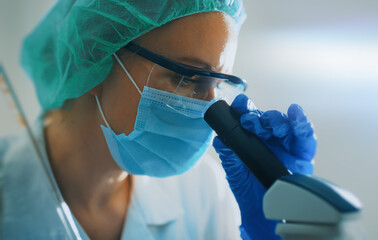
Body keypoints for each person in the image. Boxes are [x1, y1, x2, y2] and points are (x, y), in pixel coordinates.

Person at [0, 0, 317, 239]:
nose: (210, 110)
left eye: (217, 84)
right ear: (96, 58)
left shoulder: (205, 191)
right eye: (186, 77)